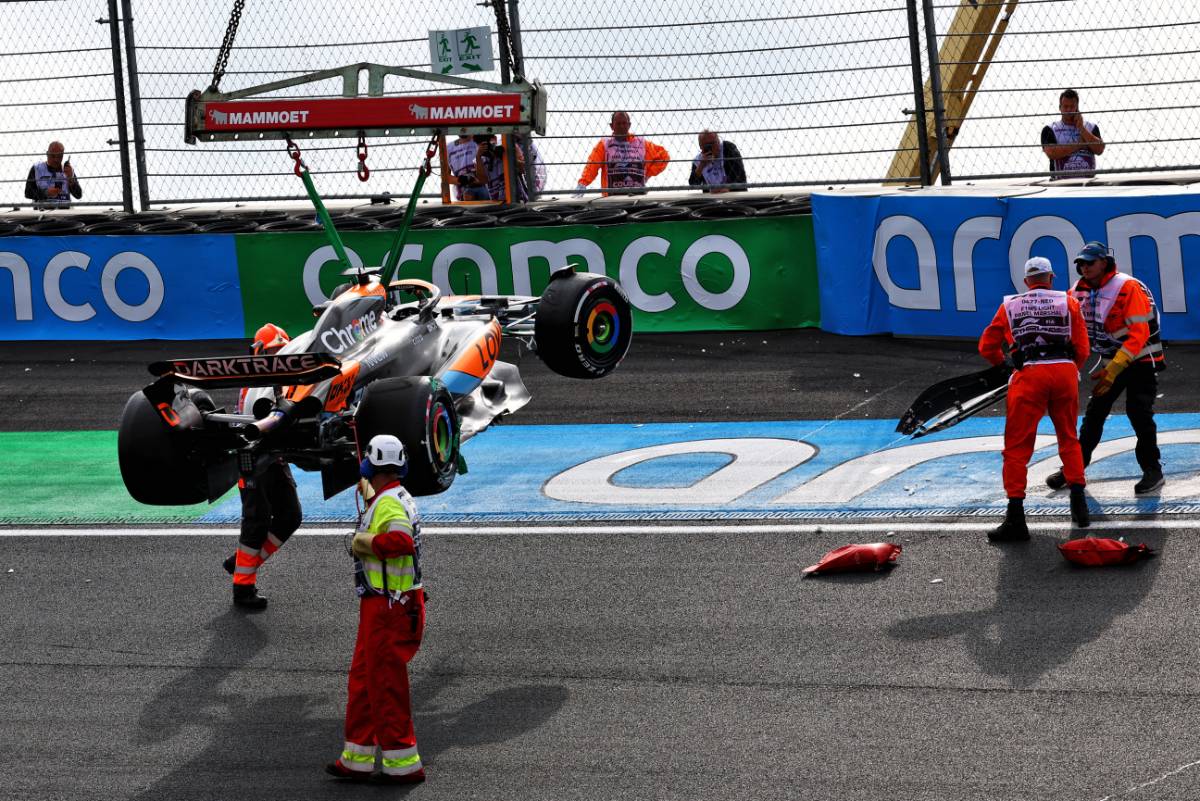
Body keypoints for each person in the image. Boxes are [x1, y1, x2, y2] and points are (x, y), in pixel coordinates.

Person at [326, 434, 426, 784]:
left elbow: (398, 541)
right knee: (364, 681)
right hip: (385, 603)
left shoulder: (388, 505)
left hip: (389, 607)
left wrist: (364, 543)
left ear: (371, 464)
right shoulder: (390, 497)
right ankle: (356, 758)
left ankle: (404, 766)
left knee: (385, 685)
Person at [979, 256, 1091, 541]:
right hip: (1064, 373)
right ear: (1051, 278)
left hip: (1029, 376)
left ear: (1027, 281)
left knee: (1017, 447)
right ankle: (1079, 503)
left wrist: (1004, 365)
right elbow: (1083, 349)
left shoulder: (1010, 304)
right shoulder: (1069, 303)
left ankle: (1016, 518)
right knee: (1068, 436)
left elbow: (987, 345)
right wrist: (1069, 369)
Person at [1046, 241, 1166, 494]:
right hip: (1111, 359)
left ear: (1104, 262)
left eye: (1089, 262)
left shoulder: (1127, 287)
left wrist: (1113, 370)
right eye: (1080, 263)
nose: (1084, 267)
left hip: (1140, 358)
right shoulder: (1076, 291)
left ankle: (1153, 471)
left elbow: (1139, 334)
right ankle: (1074, 469)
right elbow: (1068, 330)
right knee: (1094, 414)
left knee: (1139, 413)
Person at [221, 323, 303, 610]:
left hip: (274, 458)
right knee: (256, 522)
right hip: (254, 460)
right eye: (272, 352)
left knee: (290, 516)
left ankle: (243, 563)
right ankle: (243, 589)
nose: (278, 358)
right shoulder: (261, 385)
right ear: (258, 355)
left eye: (283, 351)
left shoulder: (278, 381)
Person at [574, 111, 669, 196]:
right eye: (618, 123)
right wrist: (583, 183)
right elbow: (592, 165)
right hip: (612, 199)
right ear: (612, 126)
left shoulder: (641, 144)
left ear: (629, 125)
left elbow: (664, 156)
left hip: (636, 195)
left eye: (624, 123)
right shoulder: (604, 145)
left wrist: (646, 174)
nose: (621, 126)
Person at [1041, 89, 1104, 177]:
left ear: (1077, 107)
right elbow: (1051, 153)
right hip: (1060, 184)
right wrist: (1079, 145)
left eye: (1072, 106)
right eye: (1066, 106)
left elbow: (1099, 149)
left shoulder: (1091, 127)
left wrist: (1082, 128)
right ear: (1060, 108)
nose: (1069, 110)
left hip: (1087, 183)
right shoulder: (1050, 129)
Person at [25, 141, 82, 209]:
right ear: (47, 154)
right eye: (53, 156)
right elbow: (28, 193)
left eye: (59, 156)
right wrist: (46, 193)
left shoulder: (67, 170)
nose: (56, 159)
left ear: (63, 155)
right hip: (42, 214)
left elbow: (78, 195)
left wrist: (71, 179)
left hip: (65, 214)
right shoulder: (37, 168)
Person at [446, 131, 490, 201]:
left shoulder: (480, 143)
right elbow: (445, 177)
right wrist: (463, 180)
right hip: (463, 190)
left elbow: (488, 174)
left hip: (485, 187)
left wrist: (474, 181)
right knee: (468, 194)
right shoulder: (449, 148)